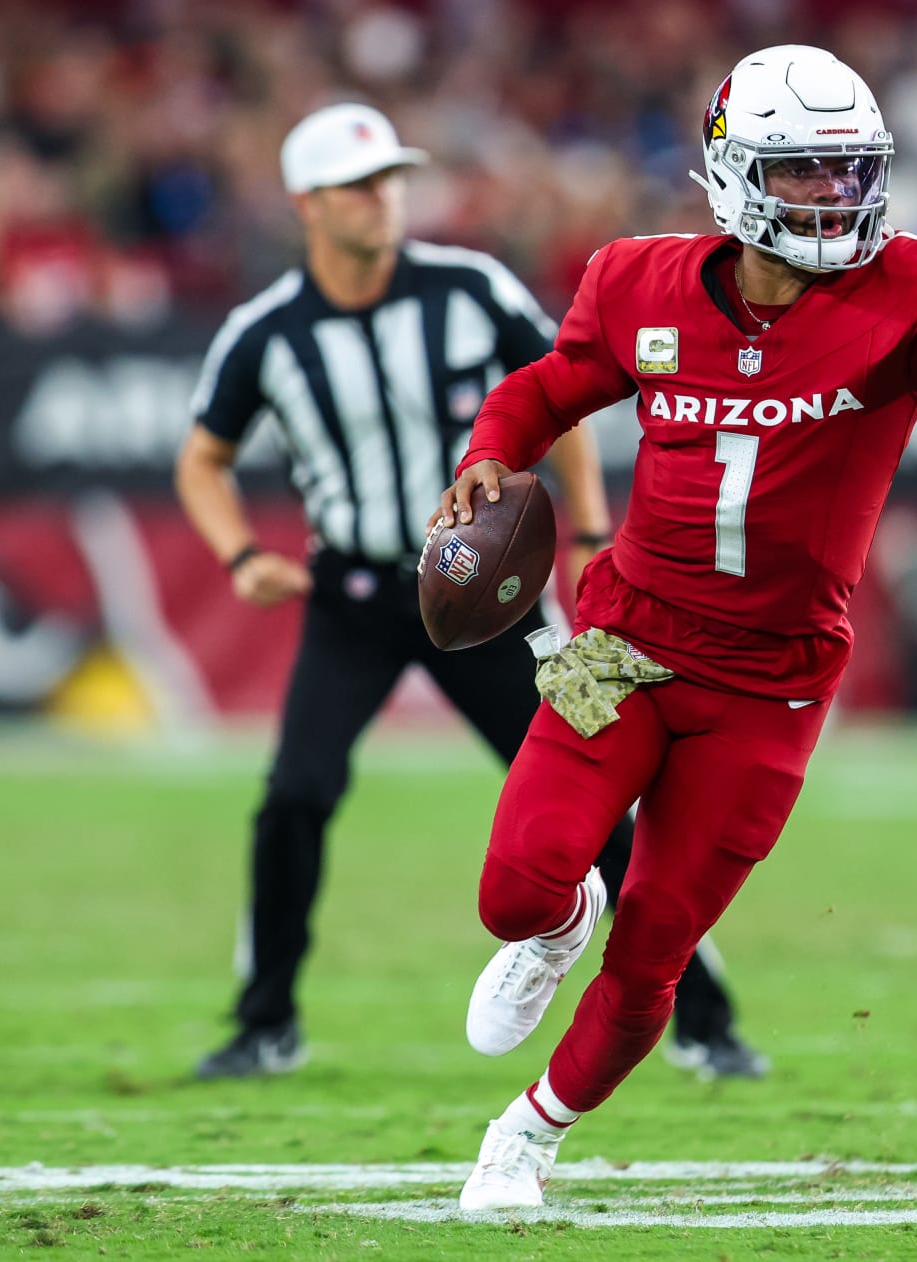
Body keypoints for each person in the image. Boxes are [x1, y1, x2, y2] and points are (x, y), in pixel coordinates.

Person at [436, 44, 917, 1210]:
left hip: (770, 683)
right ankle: (557, 926)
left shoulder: (902, 287)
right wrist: (489, 458)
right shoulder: (637, 283)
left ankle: (528, 1136)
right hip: (622, 641)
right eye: (804, 174)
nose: (835, 198)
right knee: (517, 886)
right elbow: (549, 388)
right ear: (735, 175)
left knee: (656, 951)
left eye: (850, 171)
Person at [176, 102, 763, 1082]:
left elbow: (564, 393)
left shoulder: (468, 286)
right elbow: (203, 459)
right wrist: (240, 555)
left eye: (390, 178)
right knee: (295, 794)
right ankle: (264, 1019)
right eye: (360, 184)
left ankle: (704, 1015)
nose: (384, 198)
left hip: (500, 603)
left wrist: (581, 528)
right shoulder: (264, 330)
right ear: (307, 204)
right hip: (355, 597)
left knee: (602, 801)